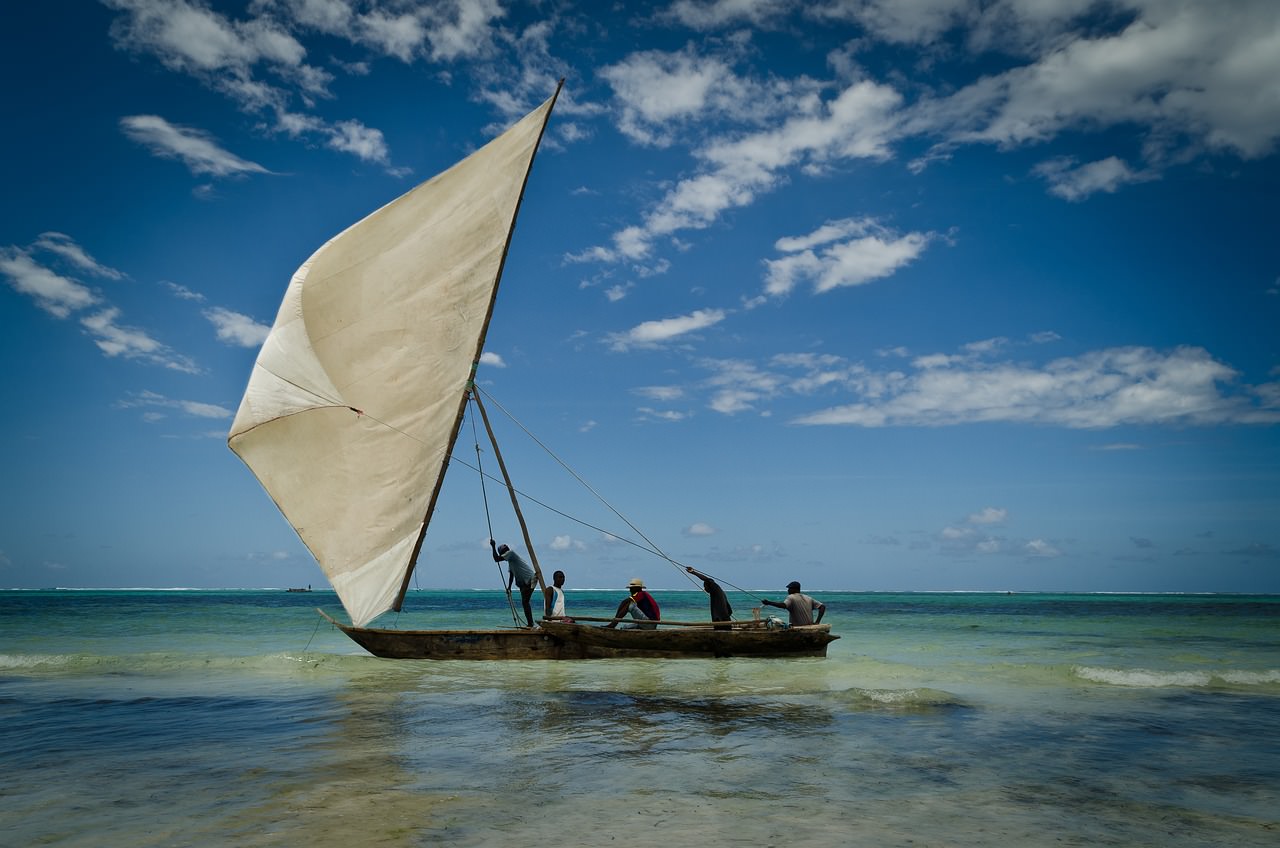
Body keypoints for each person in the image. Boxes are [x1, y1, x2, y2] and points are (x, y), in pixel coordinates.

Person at [490, 539, 535, 628]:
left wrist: (493, 546)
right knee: (525, 602)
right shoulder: (511, 562)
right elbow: (511, 575)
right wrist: (509, 587)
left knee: (525, 602)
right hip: (524, 582)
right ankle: (530, 623)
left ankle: (530, 624)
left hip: (530, 579)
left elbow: (496, 559)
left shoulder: (511, 553)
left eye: (503, 553)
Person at [761, 581, 825, 626]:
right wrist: (817, 622)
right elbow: (822, 607)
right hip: (811, 627)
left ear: (795, 589)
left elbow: (783, 605)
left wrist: (769, 602)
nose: (788, 590)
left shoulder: (791, 597)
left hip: (798, 628)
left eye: (789, 588)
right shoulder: (808, 598)